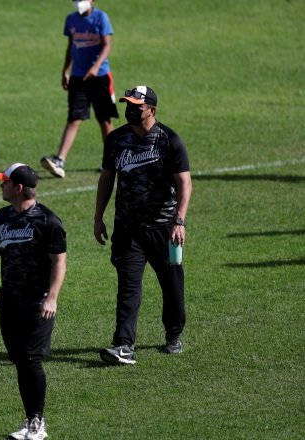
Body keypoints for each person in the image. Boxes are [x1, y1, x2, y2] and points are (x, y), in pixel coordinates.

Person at [0, 163, 66, 440]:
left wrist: (52, 298)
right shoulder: (2, 218)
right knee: (21, 361)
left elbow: (59, 263)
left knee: (31, 359)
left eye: (5, 182)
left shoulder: (48, 221)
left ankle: (37, 423)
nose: (0, 186)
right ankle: (30, 418)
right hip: (9, 302)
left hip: (38, 303)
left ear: (18, 188)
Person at [94, 85, 192, 365]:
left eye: (137, 106)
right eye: (128, 104)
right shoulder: (116, 140)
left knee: (172, 285)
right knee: (128, 287)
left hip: (165, 229)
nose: (130, 110)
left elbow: (184, 184)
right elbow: (106, 179)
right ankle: (124, 345)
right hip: (127, 229)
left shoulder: (169, 140)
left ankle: (173, 333)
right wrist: (98, 217)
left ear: (152, 110)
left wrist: (179, 221)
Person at [41, 0, 118, 178]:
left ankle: (112, 160)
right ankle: (59, 161)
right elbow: (71, 47)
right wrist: (65, 71)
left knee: (104, 119)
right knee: (74, 117)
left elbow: (107, 45)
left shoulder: (101, 17)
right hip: (78, 76)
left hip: (100, 76)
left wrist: (96, 67)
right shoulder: (71, 20)